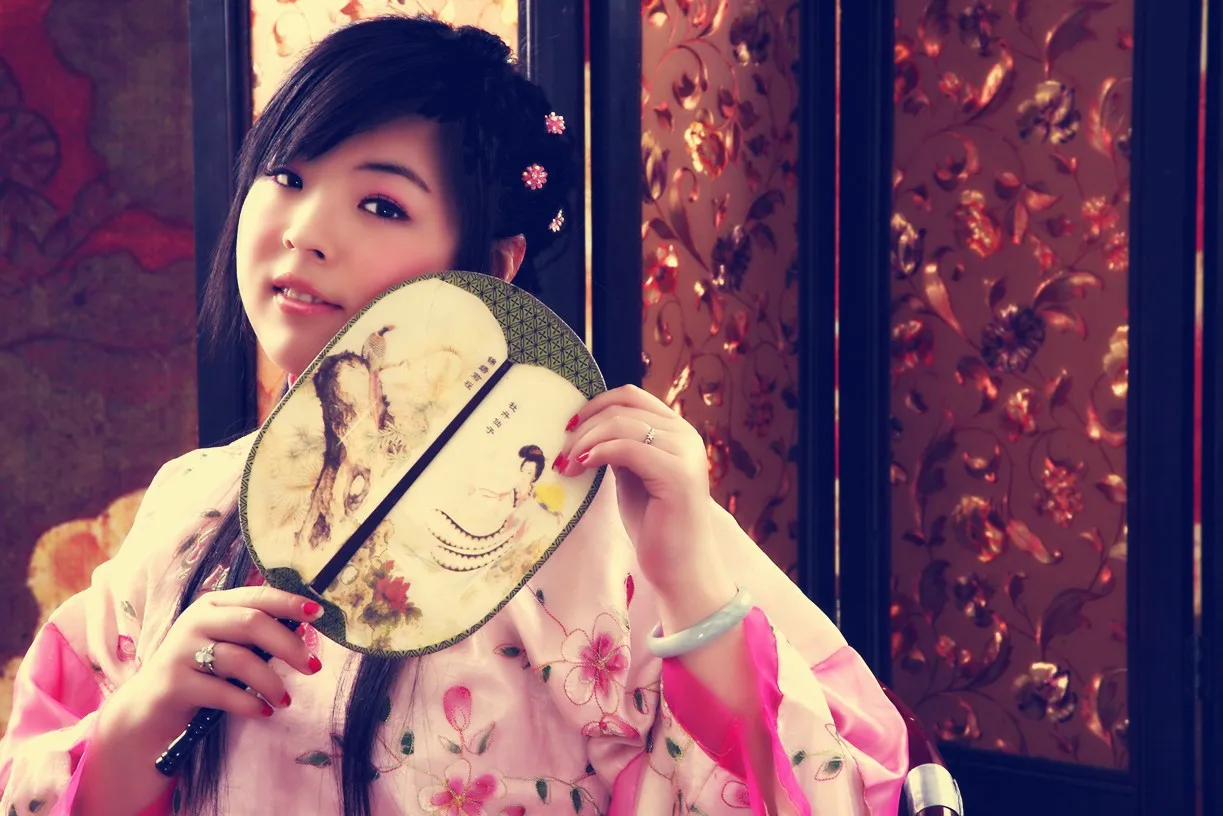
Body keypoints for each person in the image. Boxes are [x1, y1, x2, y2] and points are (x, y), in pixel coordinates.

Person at [0, 16, 908, 816]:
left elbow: (822, 791)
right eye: (285, 174)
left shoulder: (592, 517)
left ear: (493, 263)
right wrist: (145, 713)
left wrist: (688, 581)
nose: (302, 229)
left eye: (381, 203)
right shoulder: (190, 503)